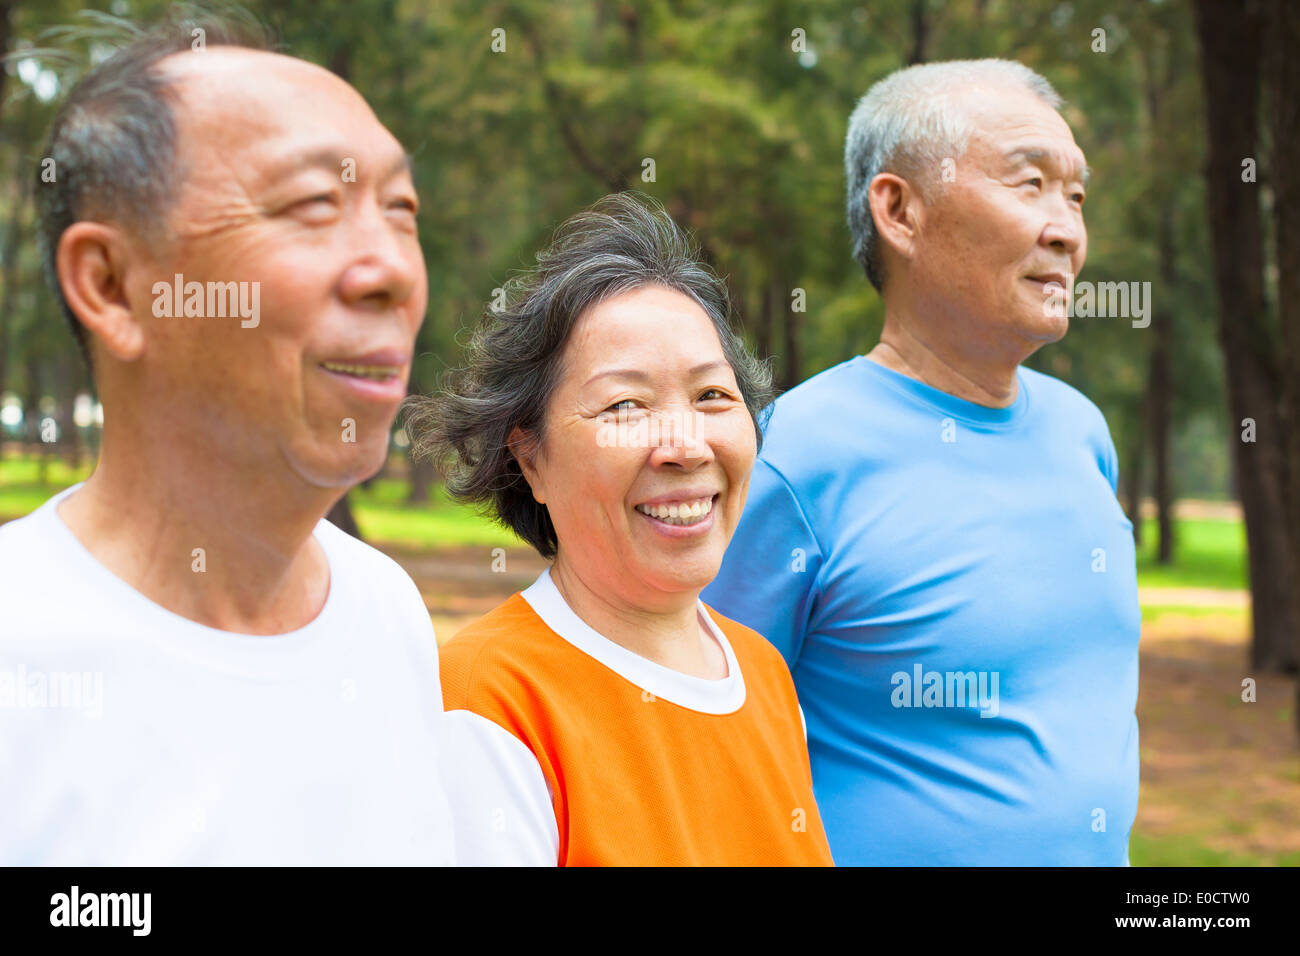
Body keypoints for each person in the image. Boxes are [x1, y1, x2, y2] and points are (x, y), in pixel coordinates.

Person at [0, 10, 456, 864]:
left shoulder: (384, 612)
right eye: (316, 203)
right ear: (113, 286)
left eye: (401, 209)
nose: (392, 270)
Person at [703, 59, 1140, 865]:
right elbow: (703, 739)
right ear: (900, 211)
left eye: (1076, 197)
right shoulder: (791, 457)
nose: (1066, 230)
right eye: (1029, 183)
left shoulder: (1084, 435)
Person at [408, 192, 833, 866]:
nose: (685, 445)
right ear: (531, 459)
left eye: (712, 396)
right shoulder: (490, 698)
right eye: (625, 404)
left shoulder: (765, 676)